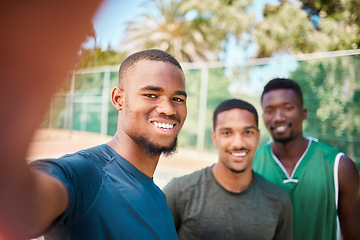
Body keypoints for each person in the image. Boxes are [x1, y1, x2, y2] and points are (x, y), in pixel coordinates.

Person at [0, 6, 187, 237]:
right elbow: (17, 203)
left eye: (177, 98)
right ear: (119, 99)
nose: (168, 108)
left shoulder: (158, 199)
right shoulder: (82, 175)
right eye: (151, 95)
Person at [163, 99, 293, 240]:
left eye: (247, 132)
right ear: (215, 137)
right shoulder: (179, 192)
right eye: (227, 133)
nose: (238, 143)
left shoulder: (279, 202)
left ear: (257, 136)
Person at [253, 78, 360, 240]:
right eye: (270, 110)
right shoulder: (251, 165)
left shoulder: (338, 166)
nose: (278, 117)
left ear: (303, 113)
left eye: (288, 108)